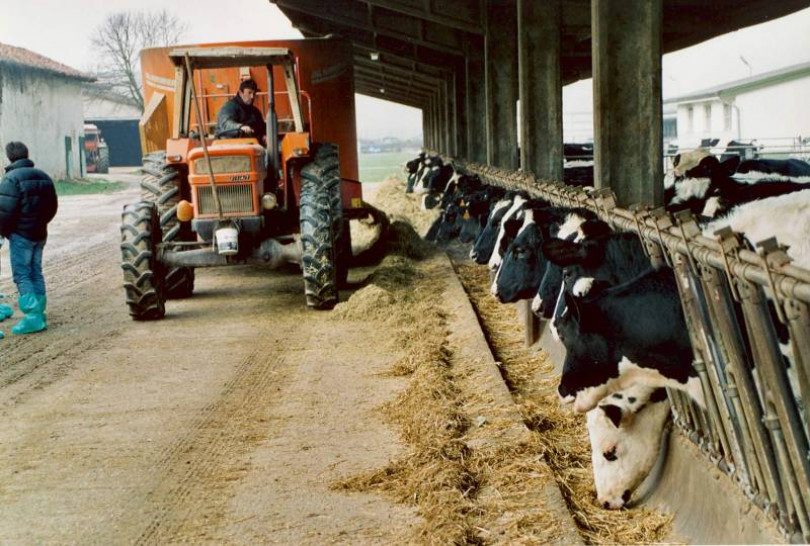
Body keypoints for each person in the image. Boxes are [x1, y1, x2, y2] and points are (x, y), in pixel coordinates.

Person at [0, 141, 58, 336]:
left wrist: (7, 231)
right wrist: (40, 223)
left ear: (9, 157)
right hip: (40, 234)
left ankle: (32, 317)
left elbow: (5, 212)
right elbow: (52, 207)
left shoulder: (10, 179)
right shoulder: (44, 177)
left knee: (22, 274)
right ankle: (39, 312)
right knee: (35, 271)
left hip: (21, 235)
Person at [216, 79, 267, 144]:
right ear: (240, 93)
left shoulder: (255, 111)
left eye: (254, 94)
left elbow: (262, 126)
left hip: (250, 144)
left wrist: (265, 135)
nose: (252, 97)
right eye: (249, 93)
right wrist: (240, 127)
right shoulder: (229, 107)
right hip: (230, 144)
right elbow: (226, 123)